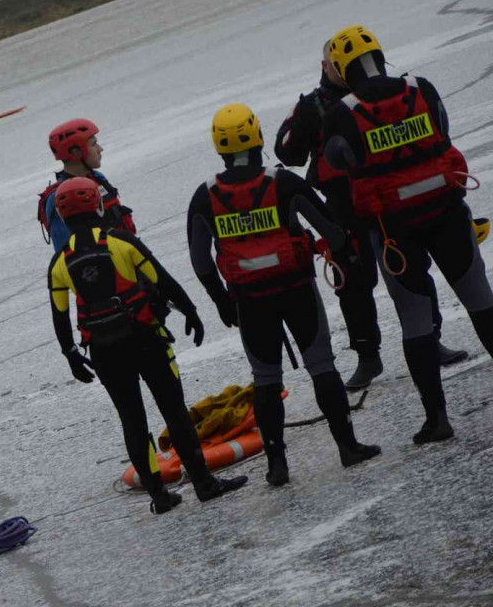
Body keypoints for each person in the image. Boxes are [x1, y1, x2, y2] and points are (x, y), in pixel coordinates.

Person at [188, 104, 381, 486]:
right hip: (296, 291)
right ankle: (347, 447)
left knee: (265, 379)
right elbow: (335, 231)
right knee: (322, 366)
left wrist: (222, 302)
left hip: (250, 300)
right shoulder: (284, 183)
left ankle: (277, 465)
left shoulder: (205, 196)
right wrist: (332, 250)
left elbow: (201, 261)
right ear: (258, 137)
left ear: (219, 147)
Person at [322, 25, 493, 444]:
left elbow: (338, 162)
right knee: (481, 301)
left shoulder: (340, 112)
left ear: (343, 70)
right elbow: (443, 133)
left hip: (395, 233)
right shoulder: (422, 88)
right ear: (380, 55)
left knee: (416, 323)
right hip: (449, 217)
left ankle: (438, 419)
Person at [48, 176, 248, 514]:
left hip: (104, 351)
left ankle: (159, 497)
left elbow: (60, 316)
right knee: (174, 411)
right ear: (97, 205)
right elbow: (162, 280)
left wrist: (71, 355)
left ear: (63, 217)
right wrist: (192, 311)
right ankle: (204, 483)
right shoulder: (122, 242)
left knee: (132, 420)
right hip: (145, 339)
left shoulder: (59, 263)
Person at [276, 41, 468, 390]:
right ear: (326, 65)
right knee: (353, 283)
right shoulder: (312, 107)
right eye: (335, 64)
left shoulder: (386, 94)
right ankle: (368, 357)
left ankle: (431, 338)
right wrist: (303, 118)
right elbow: (287, 153)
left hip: (387, 202)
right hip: (342, 210)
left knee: (411, 272)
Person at [39, 119, 135, 252]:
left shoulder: (98, 178)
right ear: (77, 153)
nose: (100, 149)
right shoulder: (58, 197)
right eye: (94, 144)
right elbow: (65, 250)